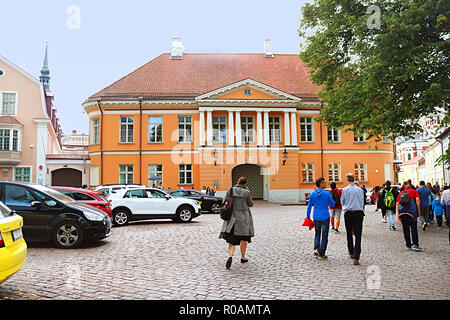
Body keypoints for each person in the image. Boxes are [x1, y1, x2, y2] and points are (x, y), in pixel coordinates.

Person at [219, 177, 254, 269]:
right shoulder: (246, 192)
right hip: (243, 219)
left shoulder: (230, 190)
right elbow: (250, 204)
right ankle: (243, 257)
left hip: (232, 219)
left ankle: (230, 256)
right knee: (244, 239)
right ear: (245, 184)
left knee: (232, 241)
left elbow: (224, 202)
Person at [306, 177, 335, 260]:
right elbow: (332, 204)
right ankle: (321, 253)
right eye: (324, 182)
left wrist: (308, 217)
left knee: (317, 233)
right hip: (325, 216)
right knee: (325, 235)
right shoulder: (327, 194)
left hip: (316, 217)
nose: (326, 184)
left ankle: (316, 248)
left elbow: (309, 207)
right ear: (320, 184)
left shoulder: (312, 194)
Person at [341, 173, 365, 266]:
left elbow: (342, 201)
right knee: (358, 235)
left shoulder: (345, 190)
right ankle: (356, 257)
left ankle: (351, 252)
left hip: (348, 213)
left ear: (347, 180)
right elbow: (362, 201)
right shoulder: (360, 190)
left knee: (349, 233)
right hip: (358, 213)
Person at [396, 185, 423, 251]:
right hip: (412, 213)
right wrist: (418, 211)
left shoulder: (401, 193)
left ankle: (408, 245)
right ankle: (415, 244)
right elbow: (417, 199)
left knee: (406, 229)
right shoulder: (414, 191)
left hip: (402, 213)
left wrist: (398, 214)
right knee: (414, 228)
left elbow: (397, 203)